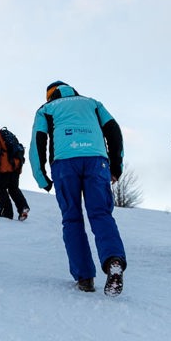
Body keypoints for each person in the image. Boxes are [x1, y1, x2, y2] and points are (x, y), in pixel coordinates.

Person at [29, 81, 126, 295]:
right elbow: (114, 132)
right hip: (96, 161)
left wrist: (41, 177)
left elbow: (38, 142)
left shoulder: (46, 109)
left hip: (64, 164)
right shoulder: (92, 103)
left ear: (50, 96)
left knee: (72, 219)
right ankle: (113, 261)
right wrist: (116, 166)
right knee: (101, 214)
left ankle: (84, 278)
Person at [0, 127, 29, 221]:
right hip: (16, 167)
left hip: (5, 167)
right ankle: (23, 207)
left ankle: (6, 212)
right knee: (14, 188)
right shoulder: (7, 136)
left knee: (1, 189)